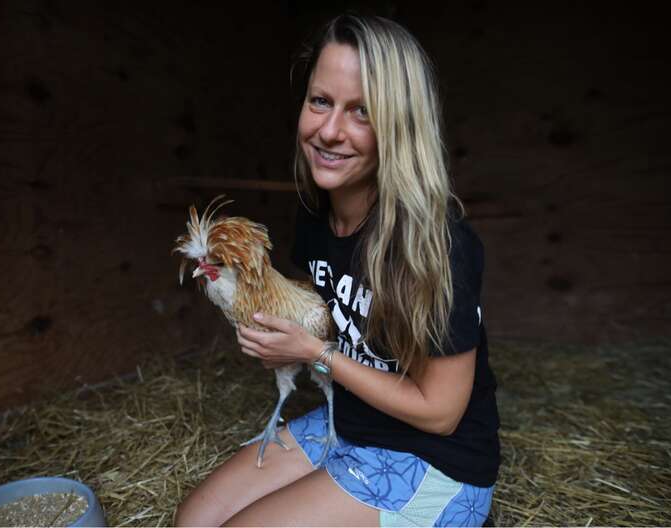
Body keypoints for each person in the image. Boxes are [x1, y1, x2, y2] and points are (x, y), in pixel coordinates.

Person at [175, 13, 500, 527]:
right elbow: (335, 315)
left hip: (434, 462)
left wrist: (315, 353)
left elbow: (441, 412)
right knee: (193, 520)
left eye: (362, 112)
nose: (329, 131)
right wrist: (275, 333)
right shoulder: (314, 213)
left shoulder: (438, 247)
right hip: (346, 420)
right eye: (320, 101)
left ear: (399, 124)